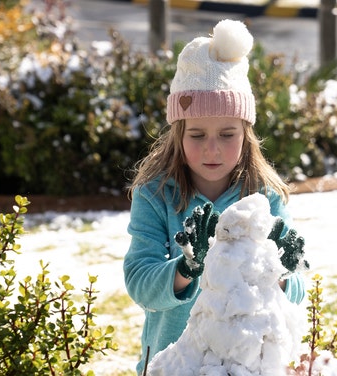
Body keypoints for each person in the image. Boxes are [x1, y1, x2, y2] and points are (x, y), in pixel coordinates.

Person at [123, 19, 306, 375]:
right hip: (173, 363)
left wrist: (281, 272)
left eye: (226, 133)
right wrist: (185, 268)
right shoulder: (155, 195)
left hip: (247, 365)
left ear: (246, 133)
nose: (212, 149)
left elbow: (296, 292)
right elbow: (139, 281)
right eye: (196, 134)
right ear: (177, 133)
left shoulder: (264, 198)